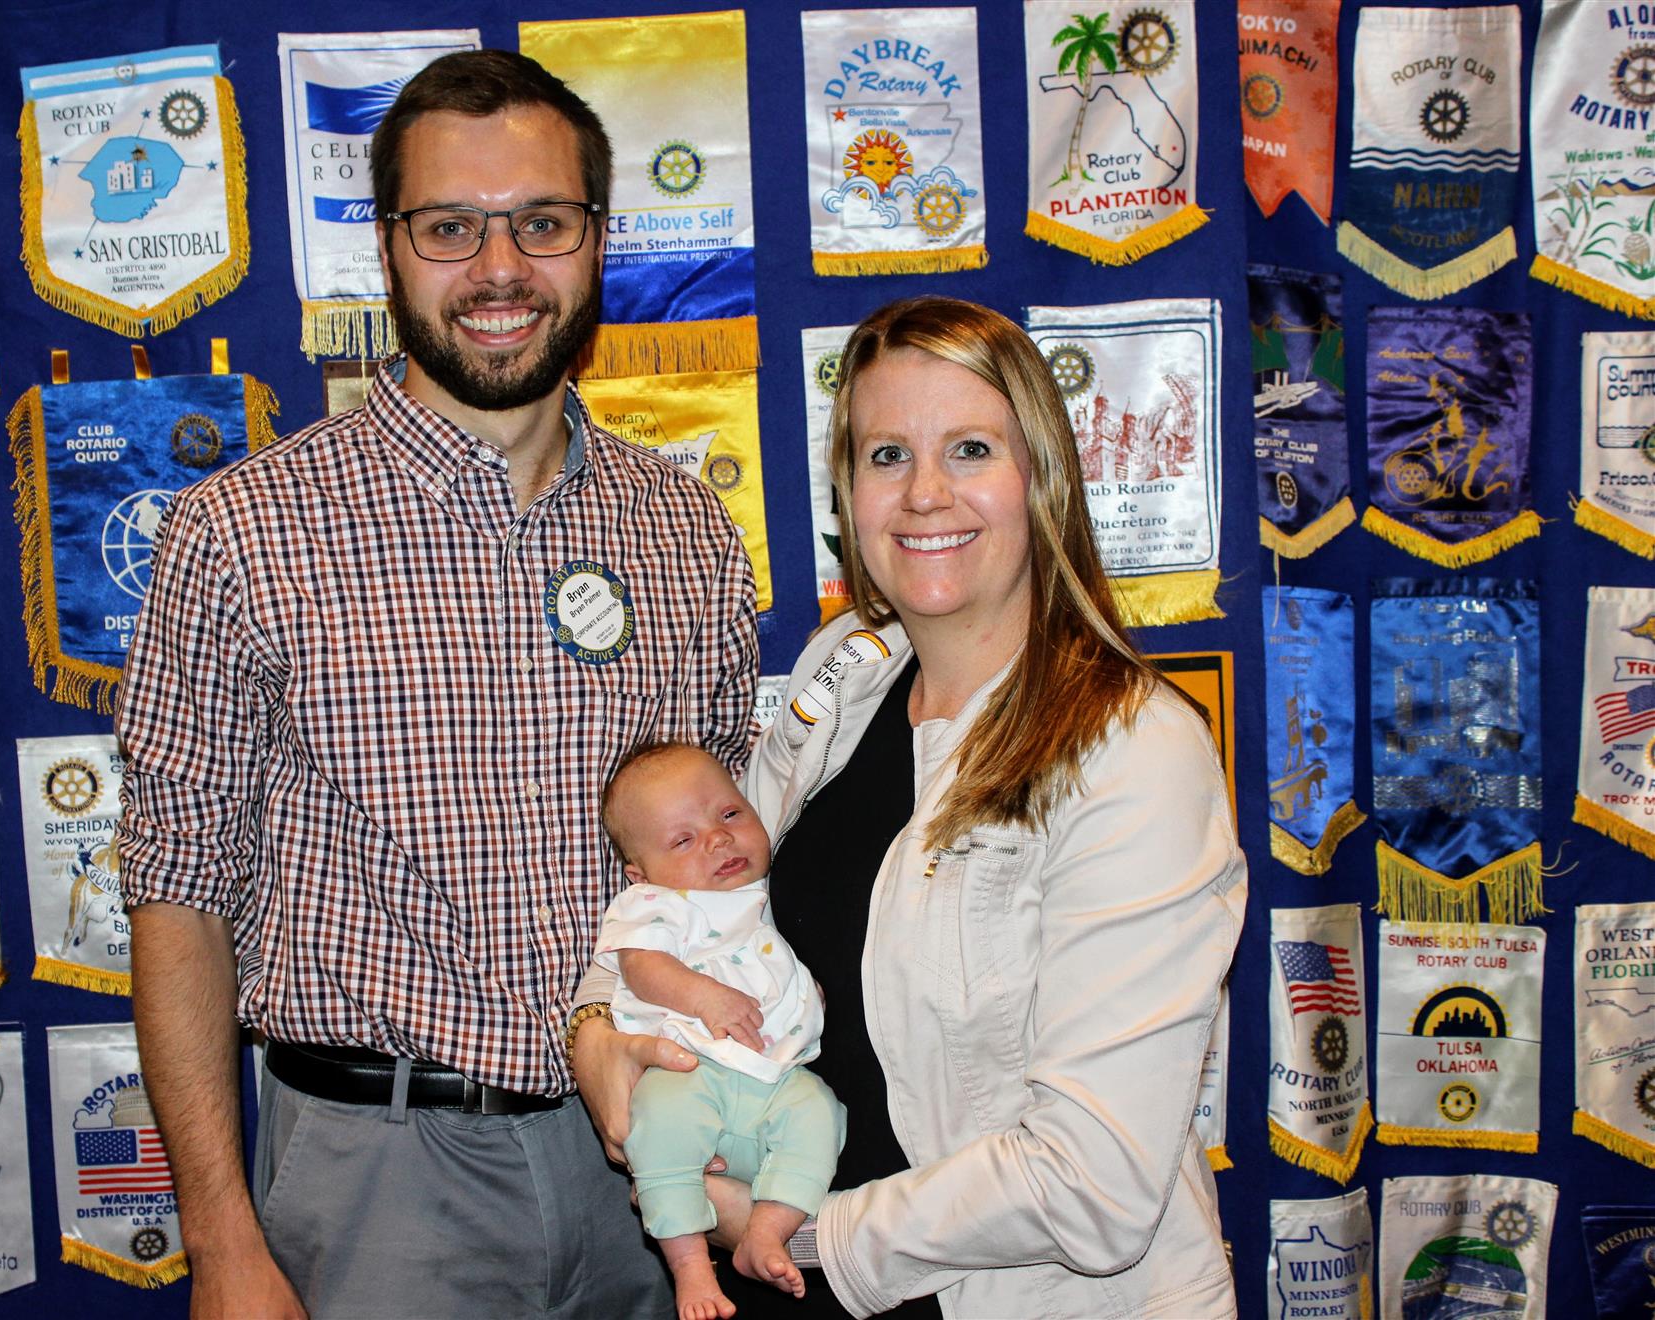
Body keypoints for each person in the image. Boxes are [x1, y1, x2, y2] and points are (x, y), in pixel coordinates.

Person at [115, 50, 758, 1319]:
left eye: (543, 222)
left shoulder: (684, 530)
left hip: (662, 1153)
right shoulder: (241, 533)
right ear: (388, 247)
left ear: (597, 240)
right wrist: (220, 1239)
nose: (501, 269)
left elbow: (724, 869)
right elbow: (177, 894)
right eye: (452, 227)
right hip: (378, 1179)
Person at [574, 295, 1246, 1317]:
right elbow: (689, 892)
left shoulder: (1134, 753)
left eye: (971, 449)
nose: (926, 493)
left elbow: (1095, 1184)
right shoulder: (845, 674)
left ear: (1043, 478)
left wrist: (790, 1228)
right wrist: (598, 1029)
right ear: (847, 494)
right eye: (887, 455)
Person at [597, 742, 845, 1320]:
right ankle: (689, 1265)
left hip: (775, 1078)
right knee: (660, 1130)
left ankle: (767, 1228)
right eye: (683, 840)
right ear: (640, 874)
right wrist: (704, 996)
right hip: (689, 1068)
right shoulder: (656, 904)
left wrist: (804, 995)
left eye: (730, 814)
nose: (718, 839)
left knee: (822, 1115)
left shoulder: (765, 896)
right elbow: (643, 967)